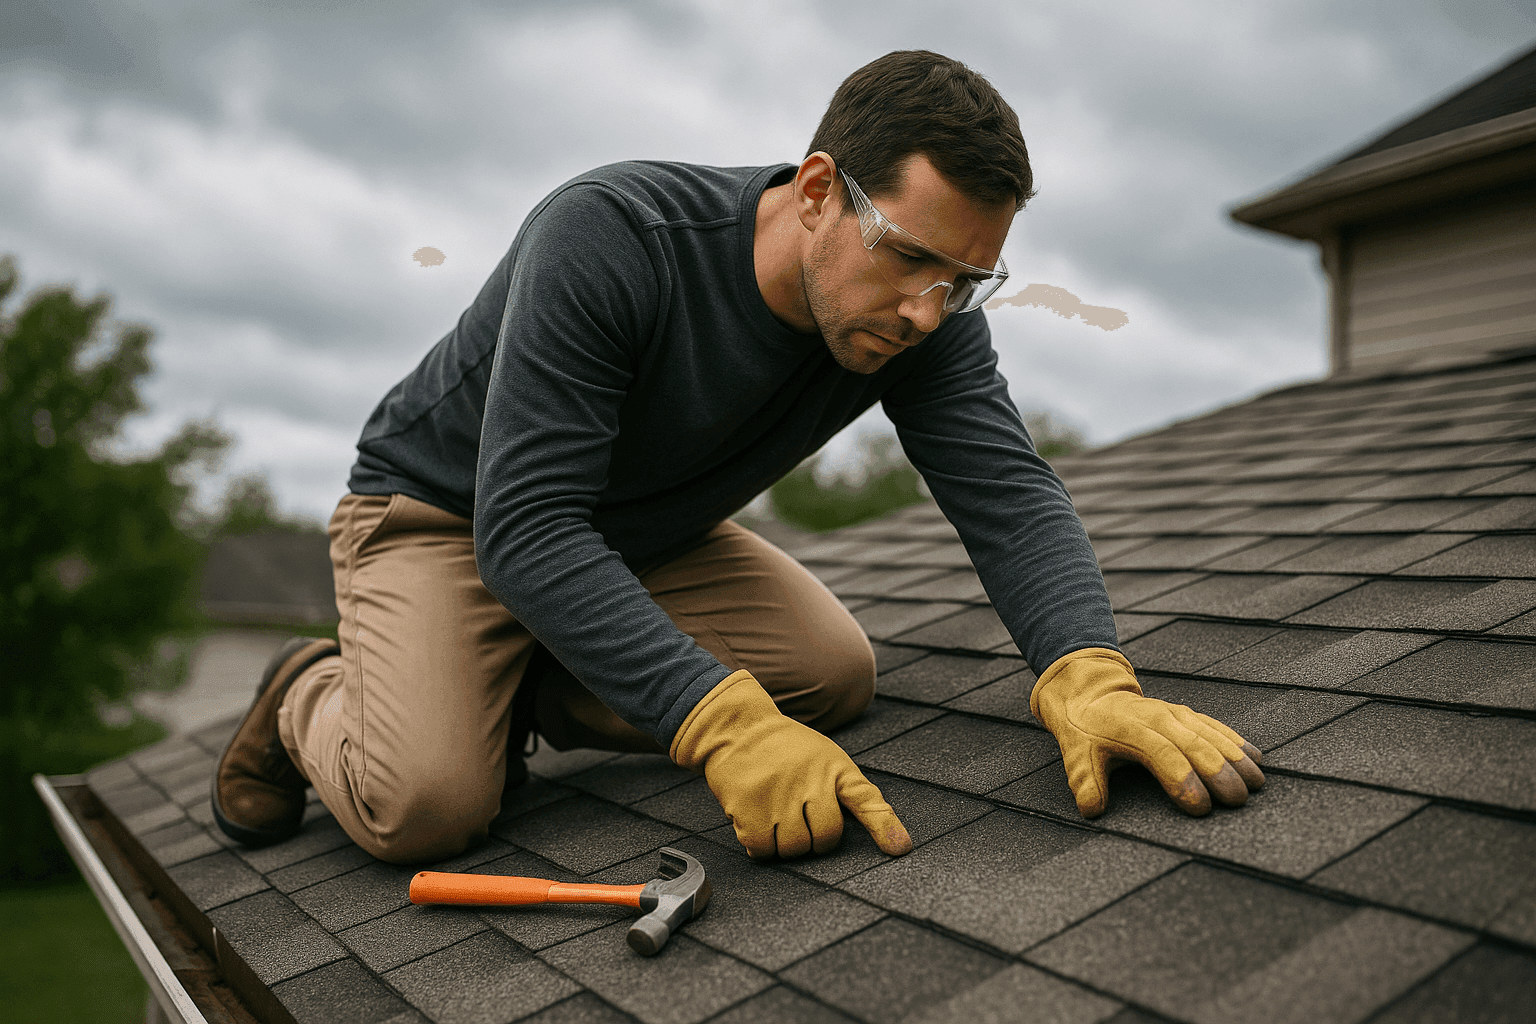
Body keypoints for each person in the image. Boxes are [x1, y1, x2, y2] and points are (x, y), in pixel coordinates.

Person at [211, 50, 1265, 866]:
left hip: (638, 534)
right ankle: (309, 688)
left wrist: (1086, 673)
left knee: (829, 676)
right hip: (447, 518)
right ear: (817, 192)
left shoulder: (925, 316)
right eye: (908, 257)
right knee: (430, 806)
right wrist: (719, 724)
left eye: (966, 280)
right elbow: (526, 529)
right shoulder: (615, 238)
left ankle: (506, 686)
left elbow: (1008, 492)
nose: (926, 308)